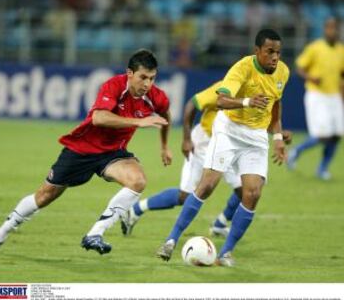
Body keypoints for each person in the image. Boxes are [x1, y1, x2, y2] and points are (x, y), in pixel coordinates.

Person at [0, 49, 172, 255]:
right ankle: (0, 233)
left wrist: (164, 146)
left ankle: (95, 234)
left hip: (113, 154)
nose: (147, 84)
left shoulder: (156, 97)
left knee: (138, 181)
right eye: (143, 77)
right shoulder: (114, 85)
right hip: (82, 149)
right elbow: (99, 118)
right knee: (45, 195)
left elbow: (165, 115)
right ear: (130, 73)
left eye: (152, 78)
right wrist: (139, 121)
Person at [156, 29, 290, 267]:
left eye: (278, 52)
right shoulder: (241, 69)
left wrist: (278, 136)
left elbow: (275, 104)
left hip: (257, 136)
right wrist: (247, 101)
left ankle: (225, 253)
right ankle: (171, 240)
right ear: (257, 51)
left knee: (252, 193)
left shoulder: (283, 72)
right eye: (270, 52)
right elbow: (221, 101)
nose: (275, 57)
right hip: (229, 130)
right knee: (207, 185)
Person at [121, 81, 293, 238]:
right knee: (185, 196)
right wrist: (187, 139)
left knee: (246, 190)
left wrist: (278, 133)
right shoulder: (225, 88)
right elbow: (192, 104)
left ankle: (220, 224)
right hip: (204, 143)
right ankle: (135, 210)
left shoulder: (254, 93)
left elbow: (255, 122)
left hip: (232, 144)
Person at [287, 17, 344, 180]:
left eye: (335, 28)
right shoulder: (315, 48)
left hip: (334, 96)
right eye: (330, 28)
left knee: (337, 135)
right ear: (325, 29)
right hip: (317, 95)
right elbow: (299, 68)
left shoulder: (341, 50)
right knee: (322, 135)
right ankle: (296, 151)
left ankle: (322, 169)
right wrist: (311, 78)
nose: (333, 31)